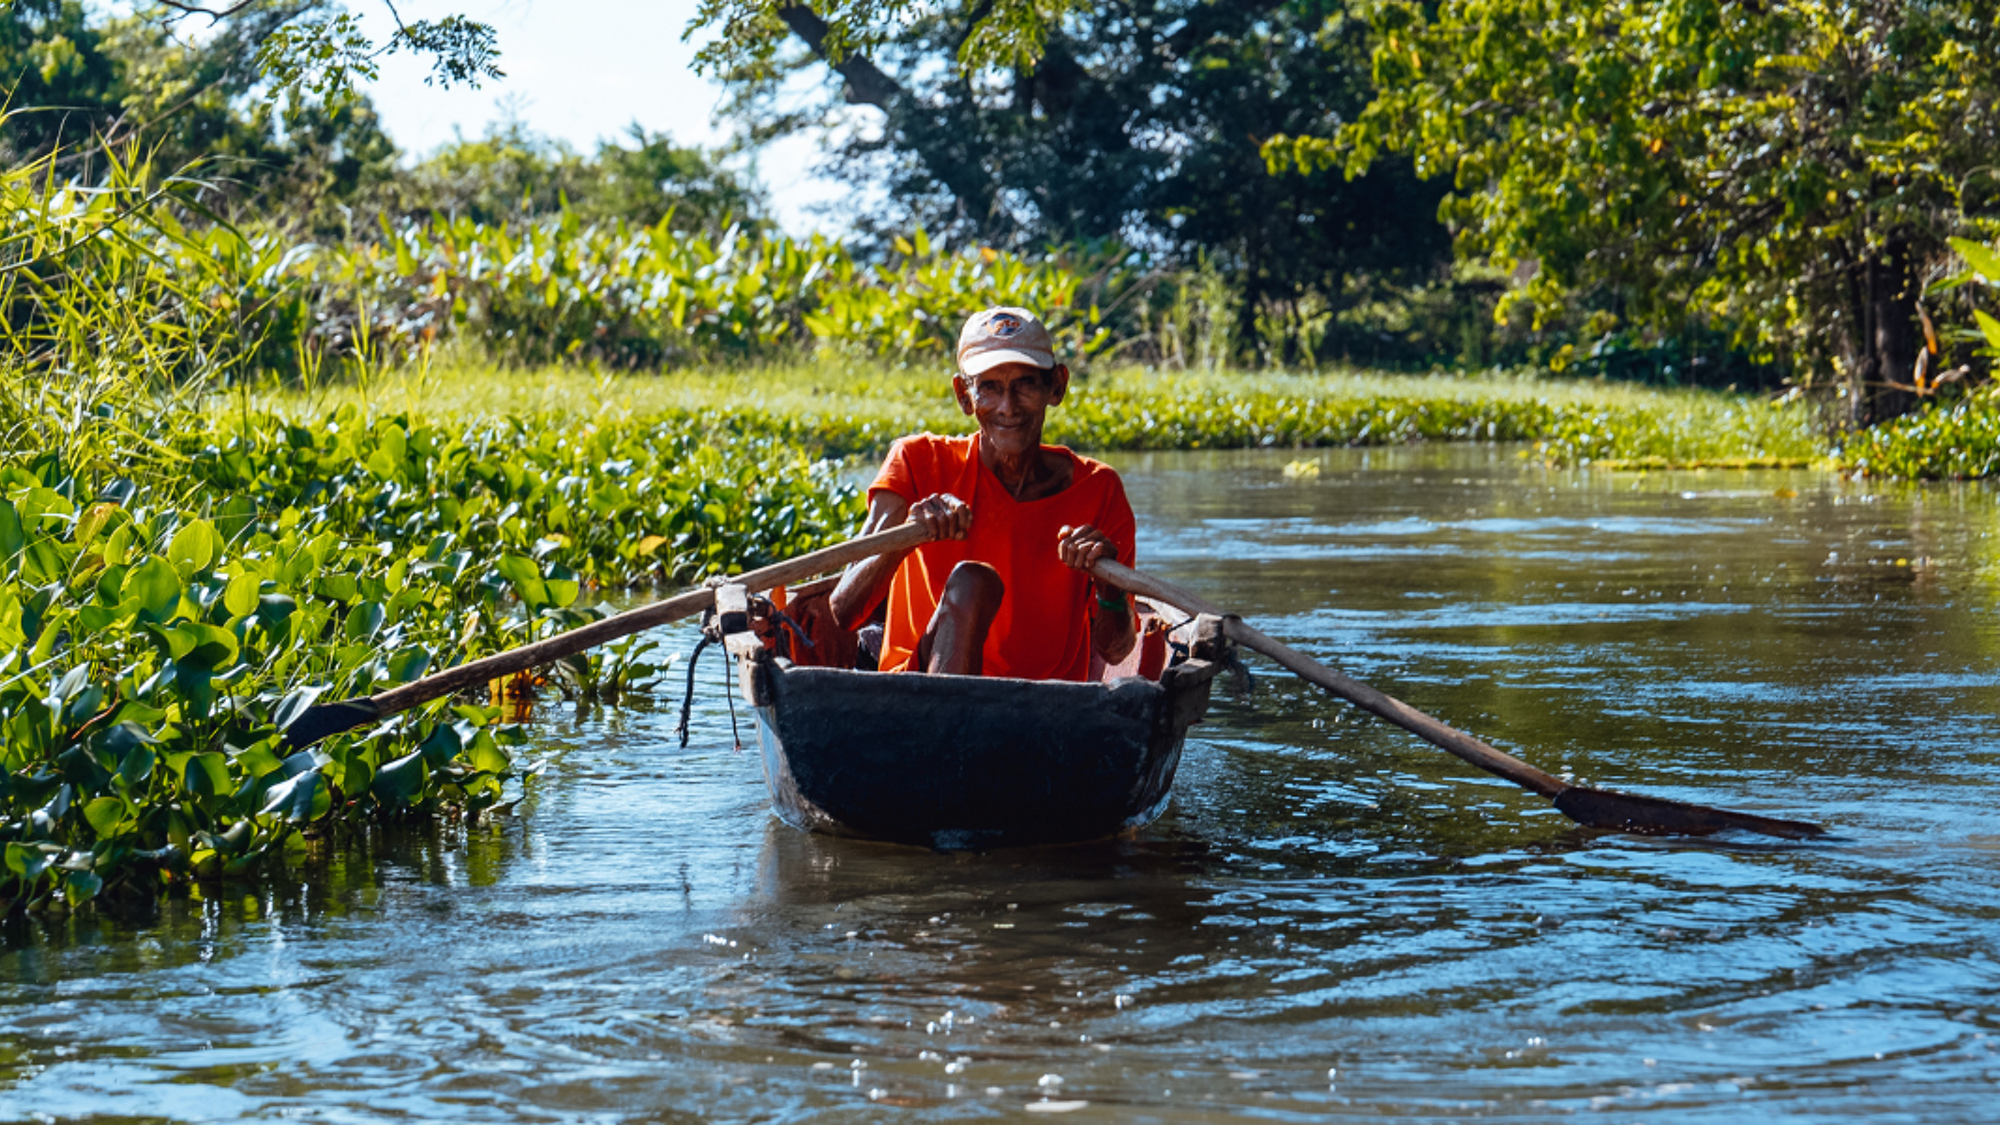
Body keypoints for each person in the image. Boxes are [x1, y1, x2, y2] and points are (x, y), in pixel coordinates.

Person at [829, 306, 1139, 679]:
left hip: (1049, 706)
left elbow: (1117, 651)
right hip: (918, 694)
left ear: (1056, 386)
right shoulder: (916, 462)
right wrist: (905, 536)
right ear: (964, 396)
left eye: (1025, 383)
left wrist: (1108, 587)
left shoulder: (1099, 489)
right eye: (989, 387)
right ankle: (954, 730)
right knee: (973, 584)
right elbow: (844, 610)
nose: (1008, 408)